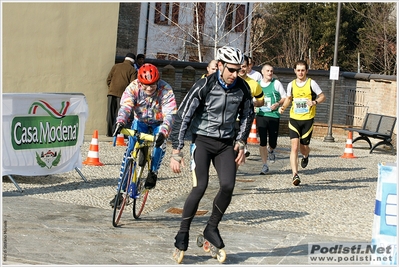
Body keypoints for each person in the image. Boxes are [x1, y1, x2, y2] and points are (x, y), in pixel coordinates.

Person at [169, 46, 255, 254]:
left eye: (239, 70)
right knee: (200, 186)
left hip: (225, 143)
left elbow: (247, 115)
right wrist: (176, 150)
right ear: (219, 66)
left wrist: (242, 141)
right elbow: (183, 116)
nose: (236, 74)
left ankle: (211, 228)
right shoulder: (204, 85)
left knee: (227, 185)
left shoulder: (243, 88)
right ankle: (183, 232)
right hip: (203, 141)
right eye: (232, 70)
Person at [109, 63, 177, 207]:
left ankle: (153, 172)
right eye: (145, 85)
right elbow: (126, 106)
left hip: (159, 123)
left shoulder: (166, 90)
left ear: (157, 81)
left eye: (152, 85)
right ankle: (121, 193)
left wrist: (164, 132)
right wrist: (120, 122)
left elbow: (170, 114)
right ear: (139, 82)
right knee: (129, 153)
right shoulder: (133, 87)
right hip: (140, 121)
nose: (148, 88)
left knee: (160, 144)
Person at [278, 60, 326, 186]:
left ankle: (305, 156)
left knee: (303, 148)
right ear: (294, 71)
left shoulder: (312, 83)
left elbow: (322, 96)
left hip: (307, 119)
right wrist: (283, 108)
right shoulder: (291, 85)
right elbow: (288, 99)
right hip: (294, 119)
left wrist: (314, 102)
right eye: (298, 70)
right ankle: (295, 174)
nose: (300, 72)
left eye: (302, 70)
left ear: (306, 71)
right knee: (294, 147)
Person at [256, 63, 287, 175]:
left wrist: (277, 104)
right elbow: (252, 98)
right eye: (268, 71)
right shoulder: (257, 84)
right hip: (261, 115)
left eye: (271, 71)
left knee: (272, 141)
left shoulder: (276, 83)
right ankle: (264, 165)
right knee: (263, 141)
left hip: (273, 115)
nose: (270, 73)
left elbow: (285, 97)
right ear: (262, 72)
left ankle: (271, 150)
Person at [237, 54, 264, 158]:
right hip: (229, 120)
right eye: (240, 66)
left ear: (248, 67)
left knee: (238, 149)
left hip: (244, 120)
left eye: (244, 66)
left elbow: (261, 101)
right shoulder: (230, 81)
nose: (241, 69)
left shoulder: (253, 84)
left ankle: (233, 171)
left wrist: (253, 103)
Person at [106, 53, 137, 137]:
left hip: (111, 92)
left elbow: (108, 79)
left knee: (110, 113)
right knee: (120, 114)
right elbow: (133, 84)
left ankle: (109, 133)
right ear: (133, 61)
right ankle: (116, 132)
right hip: (123, 94)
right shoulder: (133, 70)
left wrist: (111, 87)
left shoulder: (116, 66)